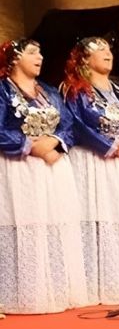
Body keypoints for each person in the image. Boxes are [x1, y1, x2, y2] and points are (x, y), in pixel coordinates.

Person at [0, 39, 88, 314]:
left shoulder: (48, 91)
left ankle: (50, 288)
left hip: (51, 166)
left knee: (51, 225)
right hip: (18, 166)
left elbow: (69, 124)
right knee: (22, 225)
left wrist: (56, 143)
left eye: (40, 51)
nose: (39, 57)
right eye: (32, 52)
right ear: (14, 59)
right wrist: (29, 146)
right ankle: (16, 293)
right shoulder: (2, 90)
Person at [62, 37, 119, 305]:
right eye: (100, 50)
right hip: (92, 159)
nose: (108, 53)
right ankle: (92, 284)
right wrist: (108, 145)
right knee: (95, 217)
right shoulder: (73, 89)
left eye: (109, 49)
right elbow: (75, 124)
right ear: (84, 59)